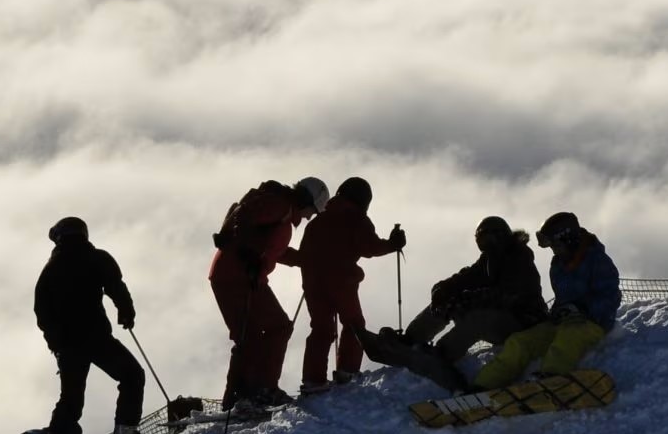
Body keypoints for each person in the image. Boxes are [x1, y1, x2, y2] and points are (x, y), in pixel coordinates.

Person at [210, 175, 328, 412]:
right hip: (237, 277)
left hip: (235, 275)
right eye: (312, 211)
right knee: (277, 327)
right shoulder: (280, 206)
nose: (309, 217)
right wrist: (247, 254)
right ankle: (262, 390)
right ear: (306, 201)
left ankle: (238, 397)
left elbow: (275, 251)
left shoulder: (282, 211)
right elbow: (245, 215)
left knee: (250, 335)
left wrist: (308, 260)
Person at [35, 215, 145, 434]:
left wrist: (56, 344)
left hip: (68, 345)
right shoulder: (97, 258)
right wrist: (126, 313)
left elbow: (41, 311)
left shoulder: (50, 270)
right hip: (97, 338)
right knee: (132, 375)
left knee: (71, 399)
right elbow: (116, 287)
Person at [392, 216, 547, 387]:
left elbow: (508, 294)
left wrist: (470, 300)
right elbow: (464, 278)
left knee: (478, 319)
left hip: (524, 322)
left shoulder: (519, 258)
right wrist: (442, 290)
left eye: (488, 238)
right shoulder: (488, 260)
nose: (484, 243)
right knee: (447, 300)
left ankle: (442, 354)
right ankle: (411, 339)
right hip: (504, 319)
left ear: (500, 236)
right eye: (480, 238)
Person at [473, 213, 621, 387]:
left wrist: (583, 310)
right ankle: (482, 385)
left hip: (592, 323)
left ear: (569, 239)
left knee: (568, 339)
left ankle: (551, 377)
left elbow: (610, 296)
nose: (554, 250)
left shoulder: (597, 261)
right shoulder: (558, 264)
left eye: (556, 245)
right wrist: (558, 312)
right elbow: (562, 299)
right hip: (562, 322)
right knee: (520, 342)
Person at [297, 177, 405, 394]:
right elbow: (370, 248)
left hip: (312, 282)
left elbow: (305, 255)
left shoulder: (318, 221)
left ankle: (313, 380)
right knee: (354, 324)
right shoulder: (356, 219)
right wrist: (393, 244)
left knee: (321, 328)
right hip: (341, 281)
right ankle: (347, 371)